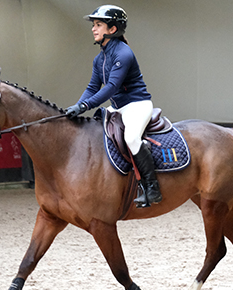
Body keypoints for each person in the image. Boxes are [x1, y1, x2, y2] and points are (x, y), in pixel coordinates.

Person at [65, 5, 162, 208]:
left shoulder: (123, 53)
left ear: (113, 29)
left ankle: (152, 188)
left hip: (137, 105)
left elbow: (110, 88)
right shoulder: (99, 59)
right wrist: (77, 106)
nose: (93, 28)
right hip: (117, 108)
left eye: (98, 24)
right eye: (94, 25)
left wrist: (84, 105)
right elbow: (92, 87)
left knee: (131, 138)